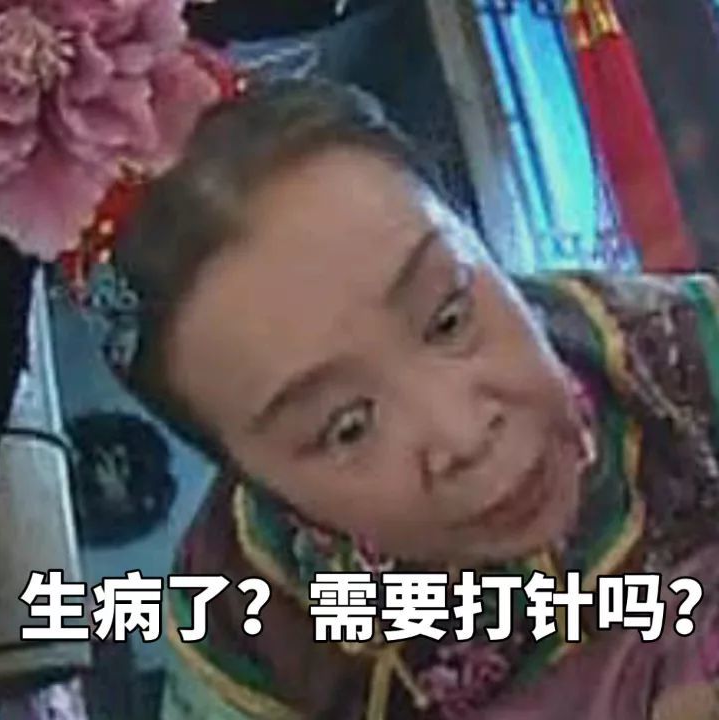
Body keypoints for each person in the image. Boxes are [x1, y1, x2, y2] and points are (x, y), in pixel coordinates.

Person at [114, 78, 719, 719]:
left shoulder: (677, 344)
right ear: (253, 479)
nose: (463, 435)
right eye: (348, 428)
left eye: (449, 319)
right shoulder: (244, 632)